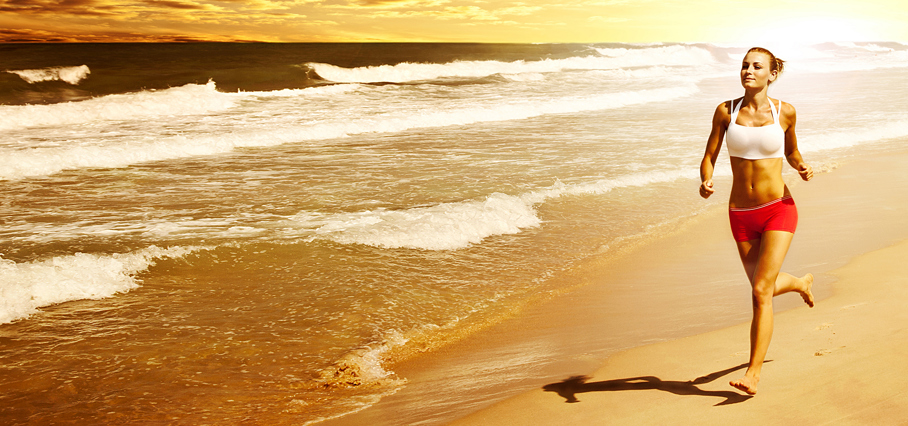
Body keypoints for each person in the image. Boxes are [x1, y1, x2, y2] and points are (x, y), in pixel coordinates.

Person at [699, 47, 815, 395]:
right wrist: (705, 180)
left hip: (779, 207)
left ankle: (753, 373)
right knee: (761, 286)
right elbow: (709, 156)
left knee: (761, 291)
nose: (748, 70)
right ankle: (798, 283)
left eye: (756, 66)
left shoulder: (785, 111)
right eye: (745, 65)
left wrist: (802, 166)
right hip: (740, 214)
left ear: (771, 74)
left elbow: (791, 152)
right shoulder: (725, 111)